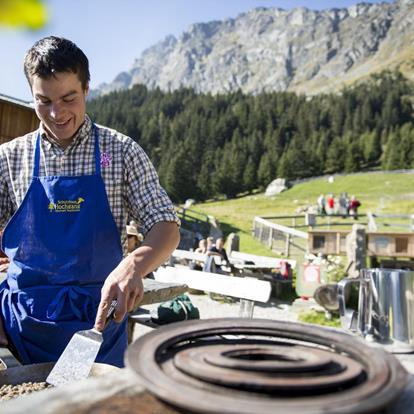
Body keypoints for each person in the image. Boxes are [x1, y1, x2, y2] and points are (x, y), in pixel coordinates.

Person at [0, 36, 180, 367]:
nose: (56, 113)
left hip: (97, 321)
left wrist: (134, 265)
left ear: (86, 89)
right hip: (20, 324)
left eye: (69, 97)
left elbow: (165, 226)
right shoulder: (10, 157)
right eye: (43, 101)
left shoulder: (122, 152)